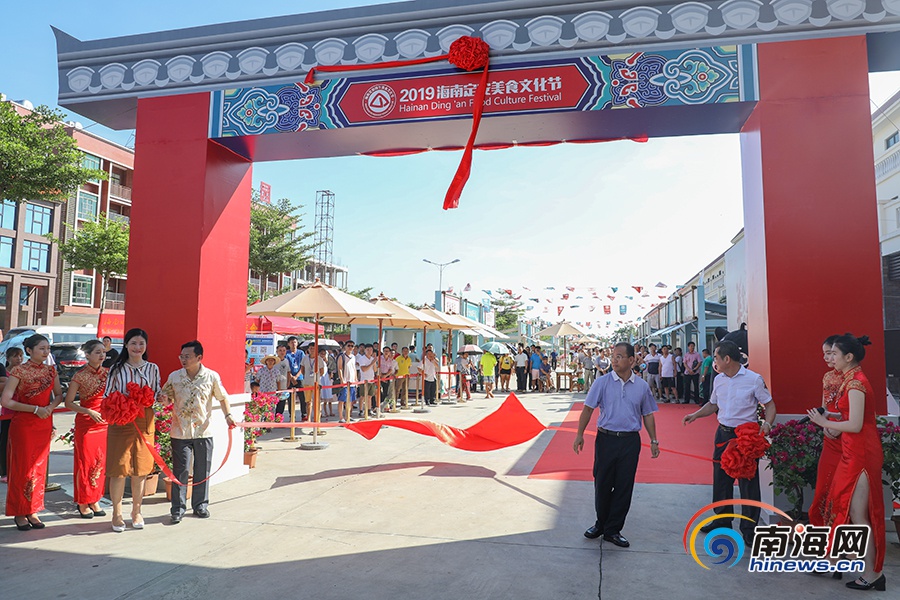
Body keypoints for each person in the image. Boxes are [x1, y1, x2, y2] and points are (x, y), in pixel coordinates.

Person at [805, 334, 885, 591]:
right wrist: (828, 418)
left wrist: (824, 422)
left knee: (859, 514)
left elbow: (856, 424)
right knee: (846, 508)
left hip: (861, 452)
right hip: (852, 450)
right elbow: (850, 417)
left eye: (834, 354)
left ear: (848, 357)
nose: (830, 358)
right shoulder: (850, 380)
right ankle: (853, 565)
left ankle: (873, 573)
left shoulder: (856, 383)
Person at [682, 340, 776, 547]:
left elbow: (769, 405)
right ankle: (722, 520)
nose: (714, 361)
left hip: (745, 437)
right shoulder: (719, 380)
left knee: (748, 483)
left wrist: (768, 424)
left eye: (716, 357)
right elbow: (713, 404)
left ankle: (749, 529)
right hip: (723, 434)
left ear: (727, 359)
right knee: (721, 479)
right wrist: (695, 415)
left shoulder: (753, 379)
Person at [573, 342, 659, 548]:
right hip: (606, 439)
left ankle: (613, 530)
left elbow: (648, 414)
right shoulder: (602, 383)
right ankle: (600, 524)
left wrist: (654, 440)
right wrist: (579, 434)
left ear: (631, 360)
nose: (614, 360)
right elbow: (588, 409)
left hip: (630, 441)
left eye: (619, 356)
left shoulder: (641, 386)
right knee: (602, 483)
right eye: (613, 356)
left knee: (624, 486)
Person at [161, 340, 235, 524]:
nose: (183, 360)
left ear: (199, 357)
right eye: (181, 356)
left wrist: (228, 416)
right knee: (181, 471)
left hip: (203, 431)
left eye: (187, 356)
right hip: (180, 432)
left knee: (203, 469)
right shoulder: (175, 377)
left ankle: (200, 505)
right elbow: (167, 398)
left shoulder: (211, 377)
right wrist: (163, 399)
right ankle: (177, 509)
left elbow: (222, 397)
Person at [2, 334, 63, 531]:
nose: (46, 352)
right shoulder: (19, 371)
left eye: (48, 349)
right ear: (29, 350)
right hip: (24, 425)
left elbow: (59, 395)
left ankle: (33, 509)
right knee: (22, 468)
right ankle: (20, 511)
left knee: (39, 468)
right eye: (42, 348)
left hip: (44, 423)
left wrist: (49, 408)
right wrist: (35, 409)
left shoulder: (51, 370)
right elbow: (6, 401)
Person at [105, 328, 163, 532]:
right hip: (121, 418)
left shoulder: (153, 368)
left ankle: (137, 511)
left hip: (144, 419)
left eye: (141, 344)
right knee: (118, 468)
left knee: (141, 468)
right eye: (133, 343)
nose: (137, 347)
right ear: (126, 345)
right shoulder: (116, 368)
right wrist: (123, 403)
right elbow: (107, 395)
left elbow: (157, 392)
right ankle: (117, 513)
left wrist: (159, 398)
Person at [63, 340, 109, 519]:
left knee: (100, 462)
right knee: (85, 463)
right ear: (87, 355)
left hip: (104, 422)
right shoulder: (79, 376)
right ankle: (83, 501)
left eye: (103, 352)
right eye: (97, 352)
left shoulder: (109, 373)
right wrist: (88, 411)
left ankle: (95, 499)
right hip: (86, 423)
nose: (102, 355)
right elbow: (68, 403)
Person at [808, 335, 842, 530]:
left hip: (846, 436)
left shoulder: (852, 379)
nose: (827, 358)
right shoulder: (828, 377)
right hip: (829, 435)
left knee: (842, 490)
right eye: (825, 354)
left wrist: (835, 427)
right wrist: (825, 426)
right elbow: (824, 407)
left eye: (830, 353)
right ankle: (823, 530)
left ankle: (841, 532)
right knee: (824, 486)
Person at [0, 346, 24, 483]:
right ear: (8, 358)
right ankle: (4, 471)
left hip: (23, 412)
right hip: (8, 412)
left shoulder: (24, 372)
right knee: (5, 442)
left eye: (20, 356)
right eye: (15, 356)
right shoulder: (5, 374)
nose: (19, 359)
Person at [335, 341, 357, 423]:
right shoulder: (342, 356)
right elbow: (340, 368)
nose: (350, 347)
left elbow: (354, 368)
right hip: (344, 381)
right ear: (345, 346)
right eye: (349, 345)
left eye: (352, 346)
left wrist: (355, 379)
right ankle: (341, 417)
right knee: (342, 400)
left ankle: (348, 415)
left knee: (350, 400)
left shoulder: (353, 357)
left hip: (352, 382)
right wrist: (342, 379)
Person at [356, 344, 377, 417]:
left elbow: (375, 370)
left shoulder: (372, 359)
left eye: (371, 350)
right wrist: (372, 363)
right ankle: (361, 410)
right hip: (364, 380)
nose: (369, 351)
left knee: (369, 396)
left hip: (371, 379)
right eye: (368, 350)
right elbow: (364, 369)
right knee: (362, 396)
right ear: (365, 350)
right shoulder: (362, 359)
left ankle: (369, 409)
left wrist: (374, 363)